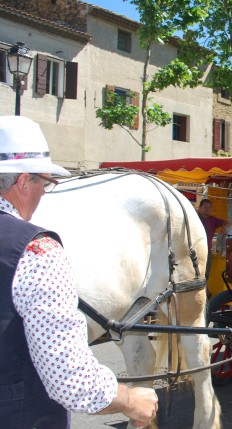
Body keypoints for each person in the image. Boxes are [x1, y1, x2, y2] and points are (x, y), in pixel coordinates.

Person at [0, 116, 157, 427]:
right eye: (44, 182)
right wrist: (131, 400)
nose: (44, 192)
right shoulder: (36, 251)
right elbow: (70, 379)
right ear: (22, 182)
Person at [197, 198, 226, 278]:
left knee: (205, 274)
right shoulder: (194, 218)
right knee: (194, 274)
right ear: (199, 208)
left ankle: (205, 289)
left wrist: (223, 231)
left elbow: (226, 223)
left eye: (209, 207)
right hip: (194, 251)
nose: (207, 209)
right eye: (205, 207)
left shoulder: (212, 220)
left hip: (207, 252)